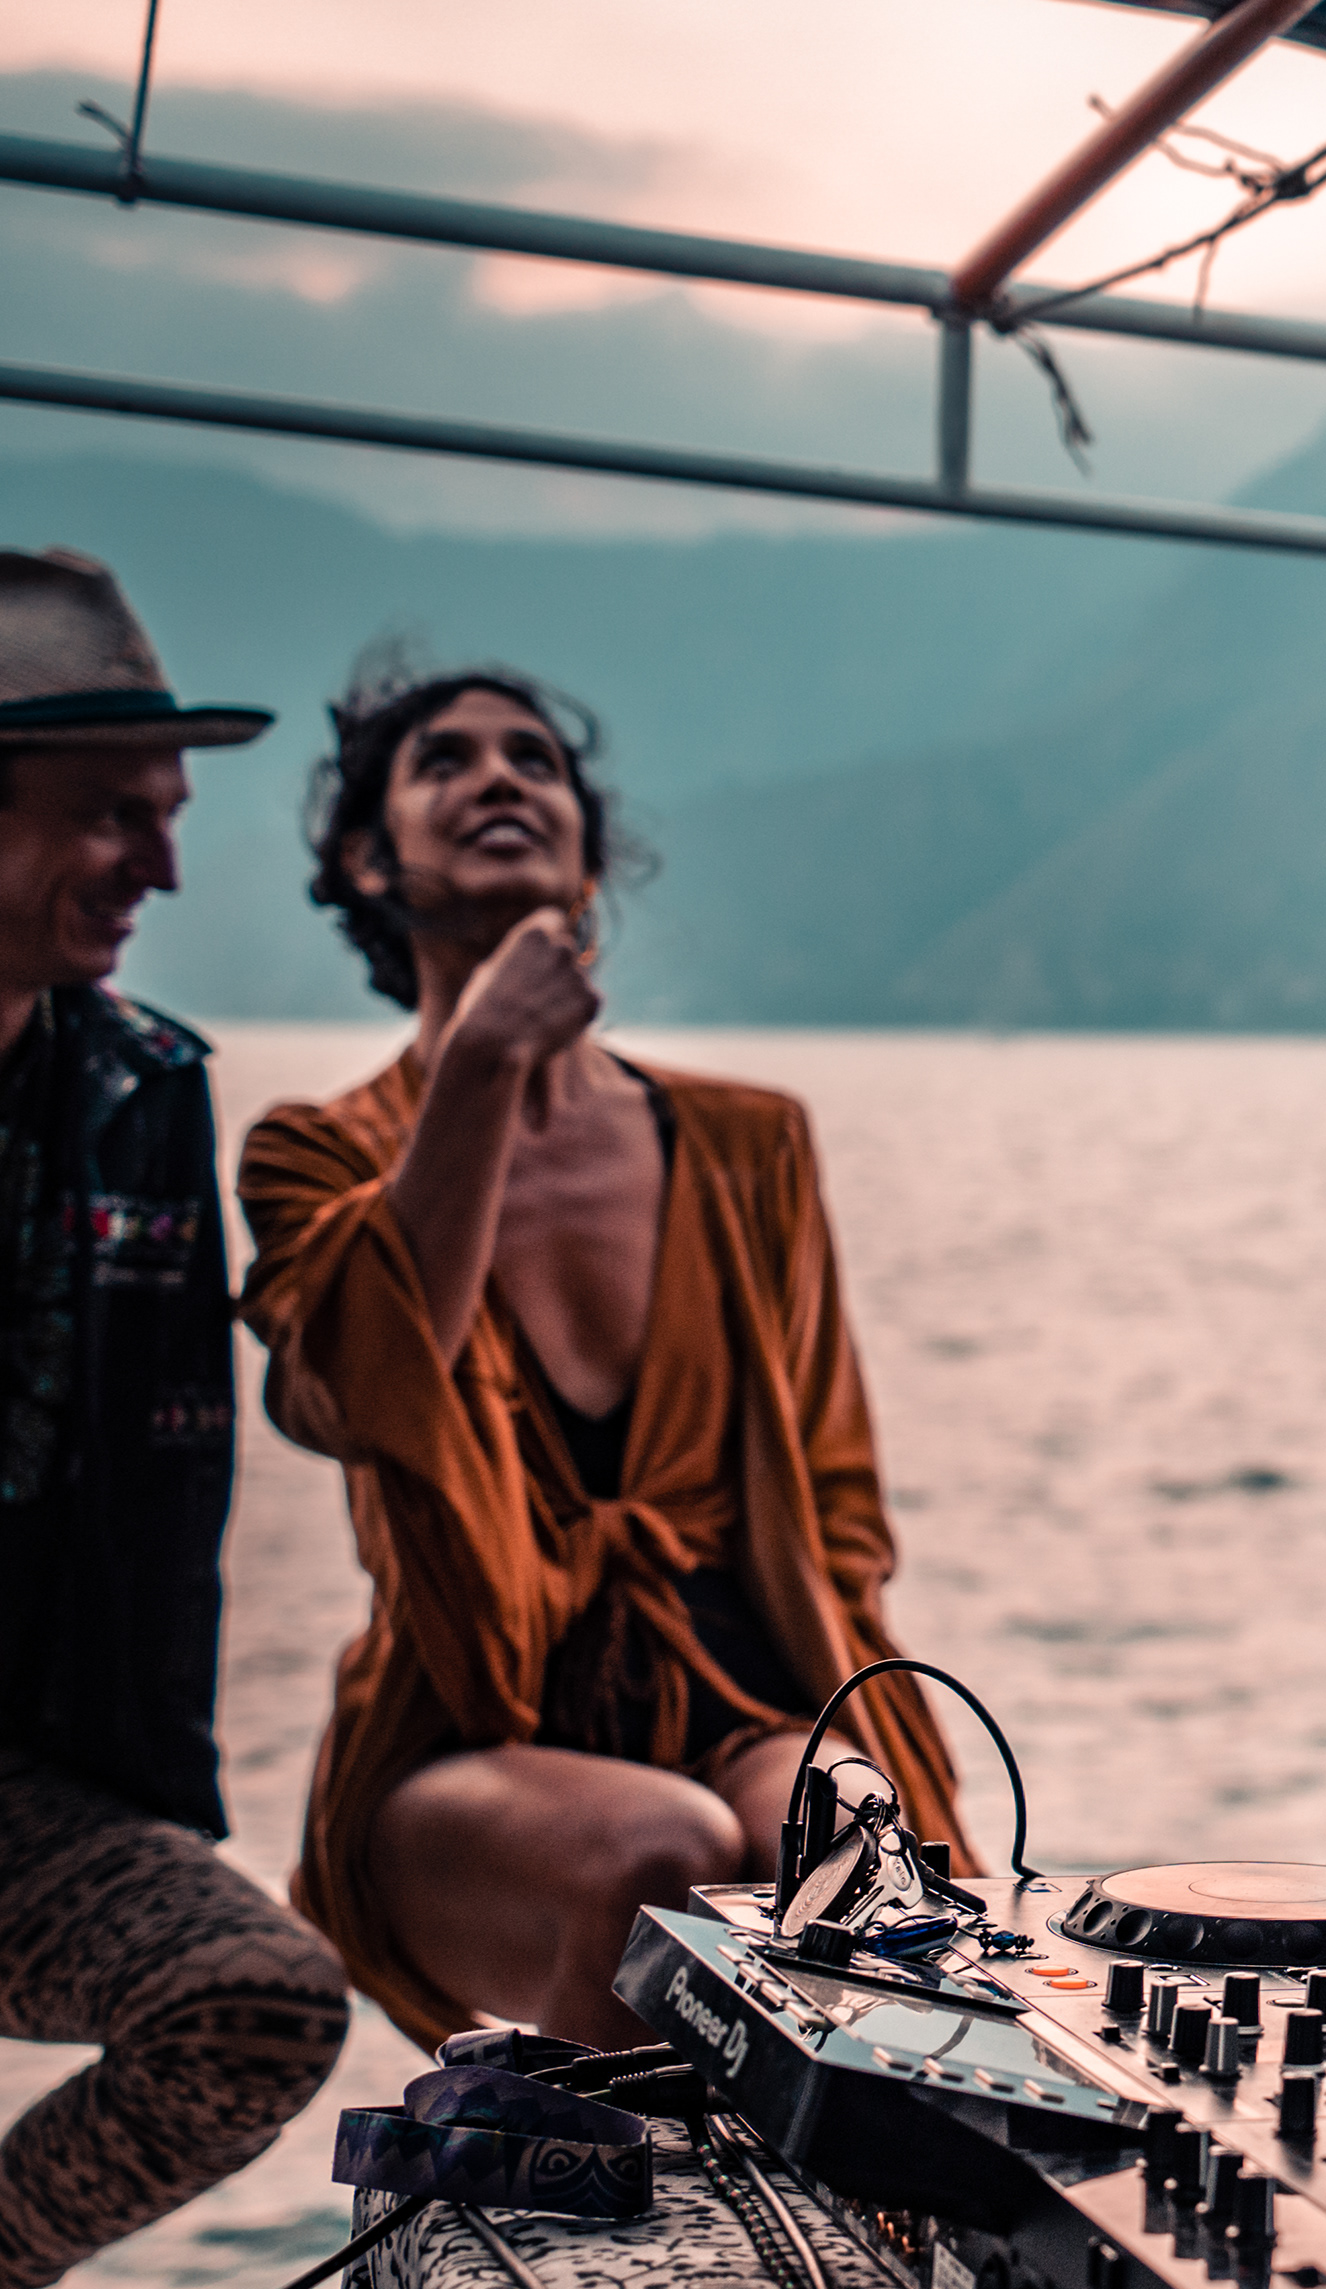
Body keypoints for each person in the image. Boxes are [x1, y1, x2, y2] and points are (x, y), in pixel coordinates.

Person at [239, 661, 970, 2053]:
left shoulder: (751, 1145)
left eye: (534, 759)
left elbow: (838, 1503)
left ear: (586, 840)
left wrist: (875, 1759)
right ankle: (601, 2226)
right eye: (443, 762)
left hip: (747, 1686)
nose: (500, 778)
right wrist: (478, 1070)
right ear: (364, 855)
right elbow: (362, 1395)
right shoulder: (312, 1154)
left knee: (846, 1862)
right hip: (465, 1740)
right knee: (664, 1856)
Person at [0, 551, 349, 2289]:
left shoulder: (147, 1083)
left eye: (171, 812)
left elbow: (185, 1457)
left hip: (25, 1785)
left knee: (258, 2006)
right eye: (109, 816)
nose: (165, 866)